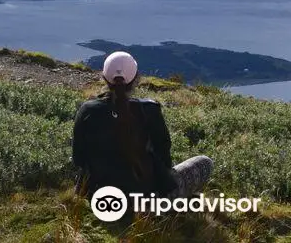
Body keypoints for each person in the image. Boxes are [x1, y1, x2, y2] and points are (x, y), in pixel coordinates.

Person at [72, 51, 213, 200]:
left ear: (104, 78)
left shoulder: (87, 110)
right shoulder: (149, 110)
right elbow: (165, 159)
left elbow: (78, 159)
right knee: (205, 162)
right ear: (135, 79)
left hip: (96, 196)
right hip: (145, 199)